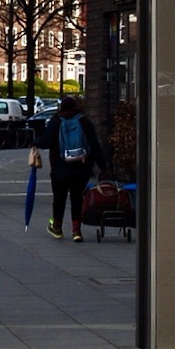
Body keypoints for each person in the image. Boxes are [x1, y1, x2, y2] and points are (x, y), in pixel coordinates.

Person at [43, 95, 105, 242]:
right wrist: (104, 166)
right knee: (77, 198)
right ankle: (76, 231)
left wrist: (35, 142)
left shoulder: (56, 121)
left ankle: (57, 227)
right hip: (81, 167)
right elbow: (94, 145)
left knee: (59, 198)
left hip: (60, 168)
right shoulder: (84, 121)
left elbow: (46, 142)